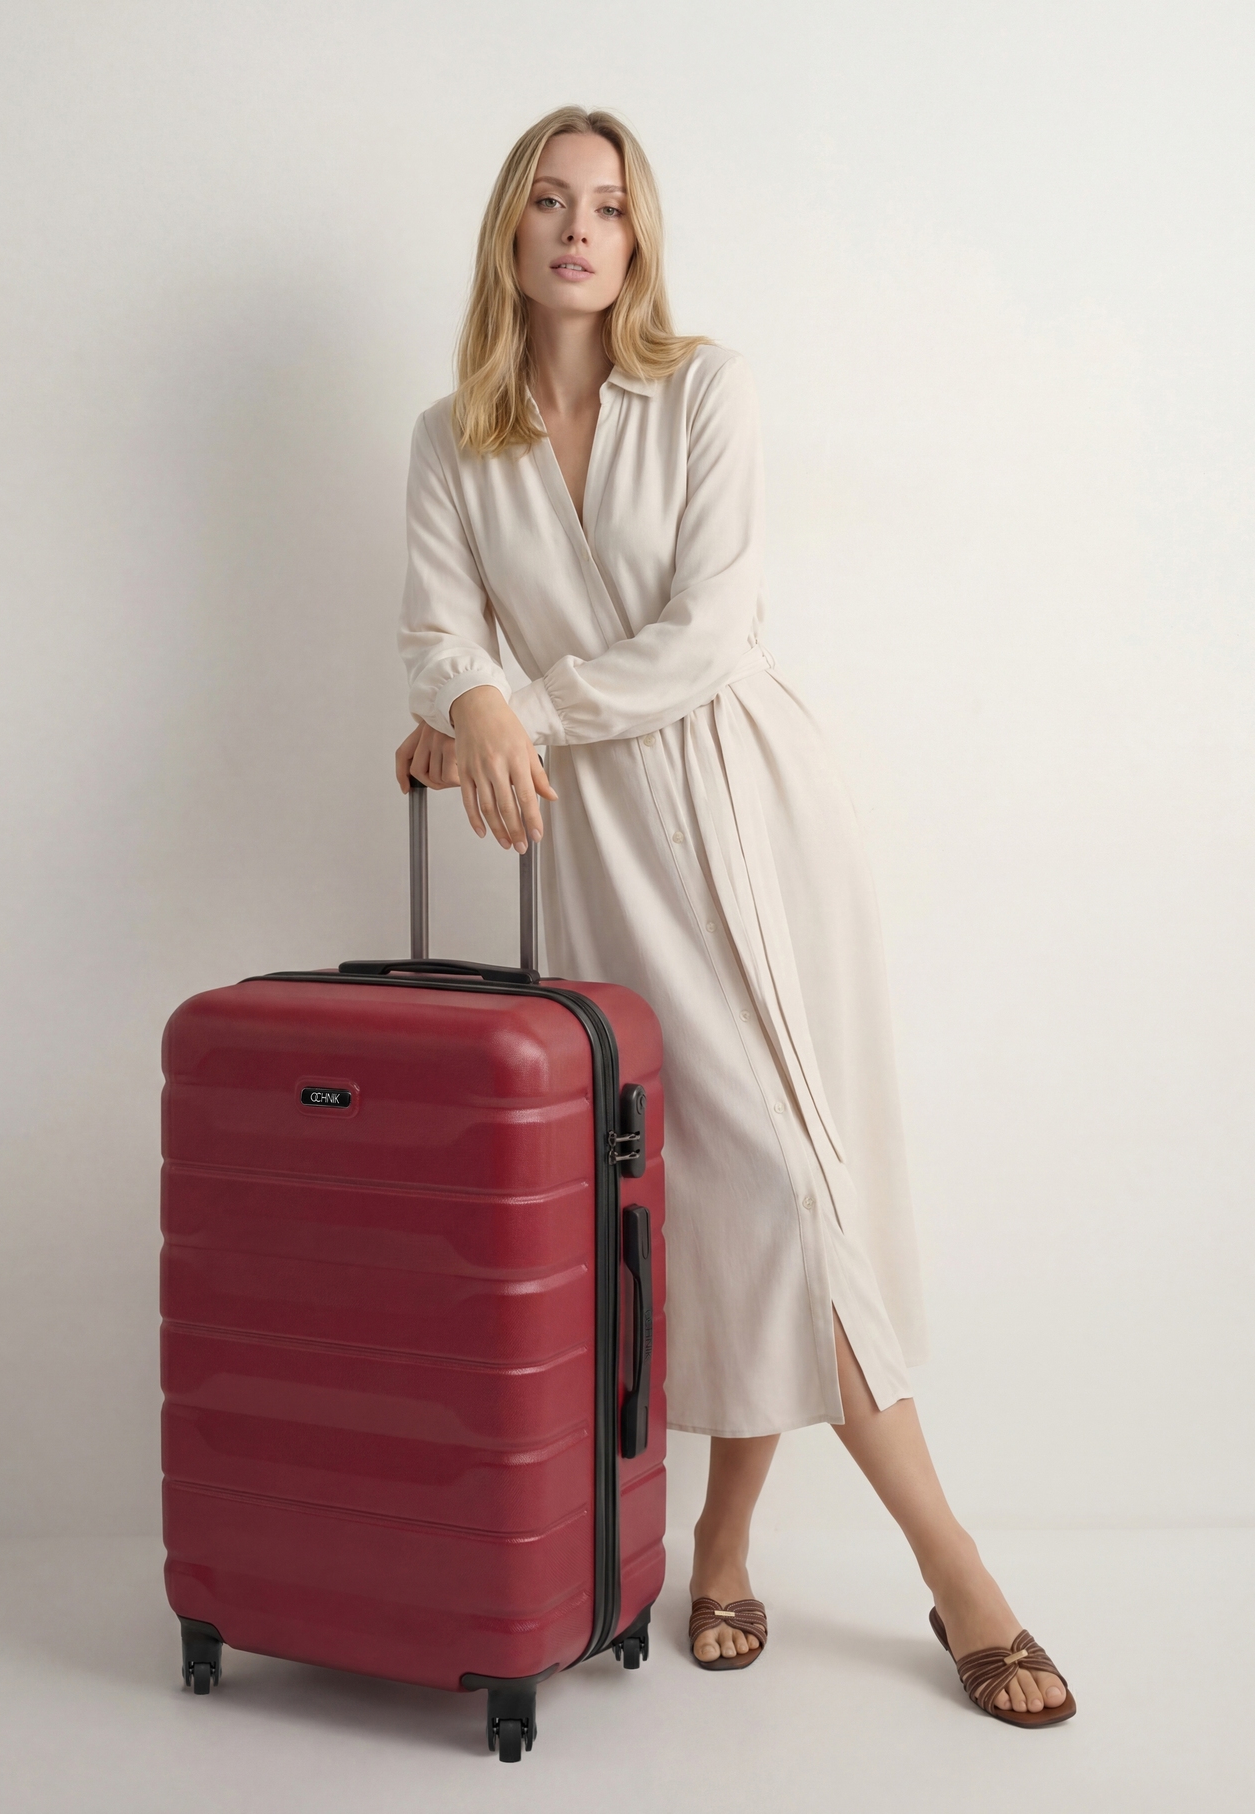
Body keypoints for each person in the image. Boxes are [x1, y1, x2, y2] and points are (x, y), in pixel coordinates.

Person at [394, 105, 1074, 1728]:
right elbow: (432, 632)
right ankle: (723, 1545)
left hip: (748, 815)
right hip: (600, 853)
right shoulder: (450, 438)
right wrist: (460, 702)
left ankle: (953, 1570)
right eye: (549, 201)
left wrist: (508, 710)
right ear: (509, 229)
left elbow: (708, 631)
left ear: (638, 237)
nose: (579, 228)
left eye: (608, 205)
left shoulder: (705, 389)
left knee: (788, 1186)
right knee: (708, 1192)